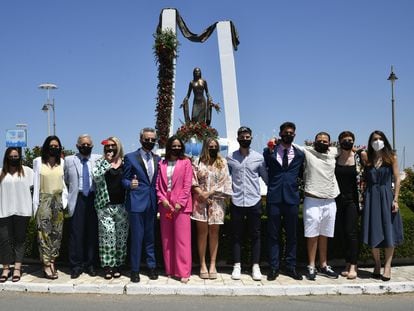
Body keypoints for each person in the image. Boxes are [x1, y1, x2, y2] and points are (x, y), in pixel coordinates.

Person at [263, 122, 304, 281]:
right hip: (274, 197)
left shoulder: (300, 154)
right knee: (273, 235)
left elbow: (301, 174)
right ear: (280, 134)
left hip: (292, 198)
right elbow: (264, 169)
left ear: (295, 135)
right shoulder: (269, 151)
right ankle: (274, 267)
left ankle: (291, 266)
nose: (289, 135)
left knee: (292, 235)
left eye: (291, 133)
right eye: (286, 132)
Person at [227, 126, 268, 281]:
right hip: (237, 200)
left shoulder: (259, 158)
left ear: (251, 138)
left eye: (247, 137)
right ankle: (237, 265)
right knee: (236, 235)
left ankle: (255, 266)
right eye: (242, 137)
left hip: (254, 201)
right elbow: (226, 177)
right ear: (238, 138)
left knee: (255, 235)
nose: (245, 139)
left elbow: (266, 178)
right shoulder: (230, 158)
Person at [361, 130, 403, 281]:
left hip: (387, 196)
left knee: (389, 231)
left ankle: (388, 266)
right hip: (371, 197)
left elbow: (397, 179)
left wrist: (396, 199)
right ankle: (377, 264)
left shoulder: (391, 157)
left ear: (384, 140)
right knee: (374, 230)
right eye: (374, 139)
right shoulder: (368, 158)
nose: (377, 141)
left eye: (379, 138)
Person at [298, 132, 339, 280]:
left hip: (330, 200)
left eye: (325, 141)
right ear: (314, 142)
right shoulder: (307, 151)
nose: (322, 143)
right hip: (312, 200)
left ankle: (323, 265)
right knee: (312, 235)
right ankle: (311, 266)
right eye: (319, 140)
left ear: (330, 142)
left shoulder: (335, 152)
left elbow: (349, 148)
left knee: (325, 234)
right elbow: (290, 145)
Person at [122, 127, 160, 283]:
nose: (150, 142)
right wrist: (130, 183)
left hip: (152, 203)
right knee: (137, 238)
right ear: (141, 139)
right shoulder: (130, 157)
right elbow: (123, 180)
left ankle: (151, 267)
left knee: (150, 238)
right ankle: (135, 270)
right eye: (147, 139)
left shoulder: (158, 159)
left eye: (152, 139)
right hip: (136, 203)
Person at [192, 137, 232, 280]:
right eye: (210, 146)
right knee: (202, 233)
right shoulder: (197, 161)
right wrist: (201, 194)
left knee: (214, 233)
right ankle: (202, 264)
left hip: (216, 203)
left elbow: (226, 182)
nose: (213, 148)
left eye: (215, 146)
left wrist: (209, 193)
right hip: (200, 202)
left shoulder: (223, 163)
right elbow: (192, 180)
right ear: (205, 147)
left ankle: (213, 264)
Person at [156, 136, 193, 283]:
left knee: (182, 239)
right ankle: (170, 269)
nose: (176, 148)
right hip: (165, 204)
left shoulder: (186, 162)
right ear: (169, 147)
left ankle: (183, 271)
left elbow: (187, 184)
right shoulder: (162, 164)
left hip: (181, 206)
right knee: (167, 239)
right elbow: (158, 185)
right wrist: (163, 200)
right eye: (174, 146)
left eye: (179, 146)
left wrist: (180, 202)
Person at [64, 134, 101, 279]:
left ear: (92, 146)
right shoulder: (68, 160)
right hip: (77, 198)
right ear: (77, 146)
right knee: (76, 234)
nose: (85, 146)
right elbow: (66, 179)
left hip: (93, 198)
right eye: (82, 144)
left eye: (88, 144)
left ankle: (91, 264)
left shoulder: (98, 159)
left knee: (92, 233)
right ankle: (76, 266)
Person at [93, 137, 129, 280]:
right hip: (104, 205)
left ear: (118, 147)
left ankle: (118, 265)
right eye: (108, 147)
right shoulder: (100, 163)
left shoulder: (125, 163)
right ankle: (108, 266)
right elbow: (96, 177)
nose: (110, 149)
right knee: (107, 238)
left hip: (122, 206)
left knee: (121, 238)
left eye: (113, 146)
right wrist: (107, 162)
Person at [33, 135, 68, 280]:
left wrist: (64, 202)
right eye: (51, 146)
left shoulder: (63, 163)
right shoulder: (38, 162)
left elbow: (64, 183)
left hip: (58, 200)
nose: (54, 148)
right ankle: (46, 264)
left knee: (57, 234)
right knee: (43, 233)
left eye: (56, 146)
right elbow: (35, 183)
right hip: (44, 200)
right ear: (46, 147)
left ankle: (53, 261)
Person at [0, 147, 34, 283]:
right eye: (11, 156)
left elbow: (35, 188)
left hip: (22, 210)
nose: (14, 158)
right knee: (4, 241)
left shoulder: (28, 172)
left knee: (20, 240)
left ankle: (18, 269)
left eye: (16, 156)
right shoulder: (1, 173)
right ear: (6, 158)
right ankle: (6, 268)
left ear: (20, 157)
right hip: (3, 211)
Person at [334, 131, 363, 279]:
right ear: (339, 141)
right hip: (337, 200)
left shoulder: (359, 158)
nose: (347, 141)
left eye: (350, 139)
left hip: (353, 201)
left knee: (351, 232)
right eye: (344, 139)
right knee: (341, 232)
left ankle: (353, 265)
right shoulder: (335, 158)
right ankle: (347, 262)